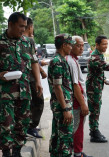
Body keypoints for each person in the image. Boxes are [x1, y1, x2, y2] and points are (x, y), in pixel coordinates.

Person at [0, 12, 43, 157]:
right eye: (20, 26)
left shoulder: (27, 42)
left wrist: (38, 81)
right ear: (10, 24)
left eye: (25, 26)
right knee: (5, 124)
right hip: (5, 92)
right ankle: (6, 152)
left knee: (23, 122)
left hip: (24, 90)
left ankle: (17, 151)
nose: (23, 29)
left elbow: (34, 62)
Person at [47, 33, 75, 157]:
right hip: (62, 105)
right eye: (70, 45)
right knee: (65, 138)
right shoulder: (58, 62)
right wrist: (65, 109)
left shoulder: (60, 60)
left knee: (57, 136)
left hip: (61, 104)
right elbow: (57, 87)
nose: (71, 48)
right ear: (64, 45)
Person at [66, 36, 92, 157]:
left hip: (77, 100)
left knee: (77, 128)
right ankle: (77, 153)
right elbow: (76, 86)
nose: (81, 48)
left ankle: (77, 151)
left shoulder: (74, 59)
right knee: (77, 129)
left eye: (82, 45)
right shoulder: (71, 61)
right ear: (71, 46)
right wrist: (83, 104)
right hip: (77, 102)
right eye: (78, 45)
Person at [23, 17, 47, 138]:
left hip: (25, 78)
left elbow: (33, 60)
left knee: (27, 103)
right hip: (31, 78)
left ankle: (28, 126)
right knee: (38, 102)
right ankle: (31, 127)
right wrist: (40, 74)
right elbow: (33, 61)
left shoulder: (21, 40)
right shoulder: (29, 40)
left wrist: (41, 69)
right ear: (30, 27)